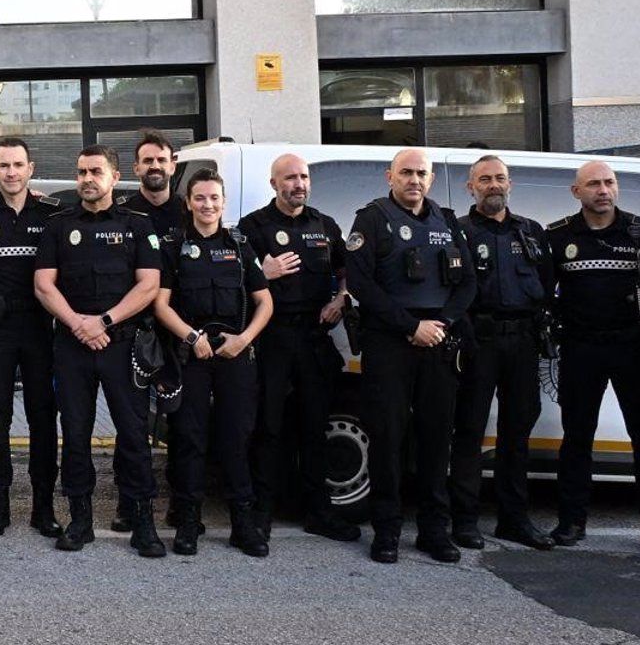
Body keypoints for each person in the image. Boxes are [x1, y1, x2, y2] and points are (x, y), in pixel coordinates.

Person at [344, 148, 474, 566]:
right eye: (406, 173)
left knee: (437, 440)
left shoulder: (447, 221)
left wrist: (443, 324)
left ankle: (435, 531)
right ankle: (387, 531)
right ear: (390, 177)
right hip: (390, 344)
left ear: (431, 180)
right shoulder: (372, 219)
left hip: (438, 342)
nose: (414, 180)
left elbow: (468, 283)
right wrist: (409, 326)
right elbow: (362, 284)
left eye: (421, 173)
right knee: (388, 439)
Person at [35, 145, 165, 557]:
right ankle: (80, 520)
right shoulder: (58, 226)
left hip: (121, 343)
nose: (87, 179)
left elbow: (148, 285)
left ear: (114, 175)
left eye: (95, 171)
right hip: (73, 345)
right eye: (81, 172)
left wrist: (103, 322)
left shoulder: (137, 225)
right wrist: (79, 324)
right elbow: (43, 285)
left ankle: (143, 522)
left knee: (132, 434)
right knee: (75, 434)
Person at [547, 160, 640, 554]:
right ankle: (571, 522)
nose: (602, 190)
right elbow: (543, 294)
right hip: (581, 348)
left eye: (609, 183)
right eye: (593, 184)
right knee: (577, 439)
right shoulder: (558, 236)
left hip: (633, 349)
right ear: (577, 192)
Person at [152, 168, 274, 557]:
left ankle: (243, 524)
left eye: (214, 198)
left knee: (236, 439)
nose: (207, 205)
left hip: (234, 353)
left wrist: (244, 340)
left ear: (224, 202)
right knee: (189, 439)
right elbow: (160, 304)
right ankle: (189, 522)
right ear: (188, 202)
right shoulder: (174, 245)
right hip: (191, 355)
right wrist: (191, 337)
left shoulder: (239, 245)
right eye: (200, 198)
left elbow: (265, 301)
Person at [237, 152, 357, 544]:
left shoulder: (324, 225)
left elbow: (348, 271)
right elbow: (231, 279)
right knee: (268, 428)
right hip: (271, 339)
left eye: (303, 177)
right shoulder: (252, 227)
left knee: (315, 427)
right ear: (274, 184)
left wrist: (341, 298)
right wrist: (262, 273)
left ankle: (319, 512)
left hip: (314, 338)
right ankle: (262, 514)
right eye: (289, 178)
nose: (298, 184)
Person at [449, 156, 556, 551]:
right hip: (478, 341)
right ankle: (464, 520)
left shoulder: (530, 232)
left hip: (523, 342)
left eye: (499, 179)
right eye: (484, 179)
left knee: (518, 433)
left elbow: (546, 284)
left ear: (509, 185)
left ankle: (514, 519)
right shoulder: (457, 232)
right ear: (470, 187)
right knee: (469, 431)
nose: (493, 185)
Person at [0, 138, 63, 537]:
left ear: (30, 168)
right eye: (3, 165)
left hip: (40, 327)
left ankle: (43, 506)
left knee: (43, 415)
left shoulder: (52, 214)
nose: (11, 172)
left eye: (18, 165)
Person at [118, 128, 193, 533]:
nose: (154, 167)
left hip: (179, 332)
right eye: (147, 161)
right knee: (131, 423)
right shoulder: (126, 213)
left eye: (161, 160)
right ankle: (130, 504)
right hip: (135, 332)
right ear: (135, 168)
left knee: (182, 424)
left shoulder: (189, 212)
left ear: (172, 166)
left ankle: (180, 507)